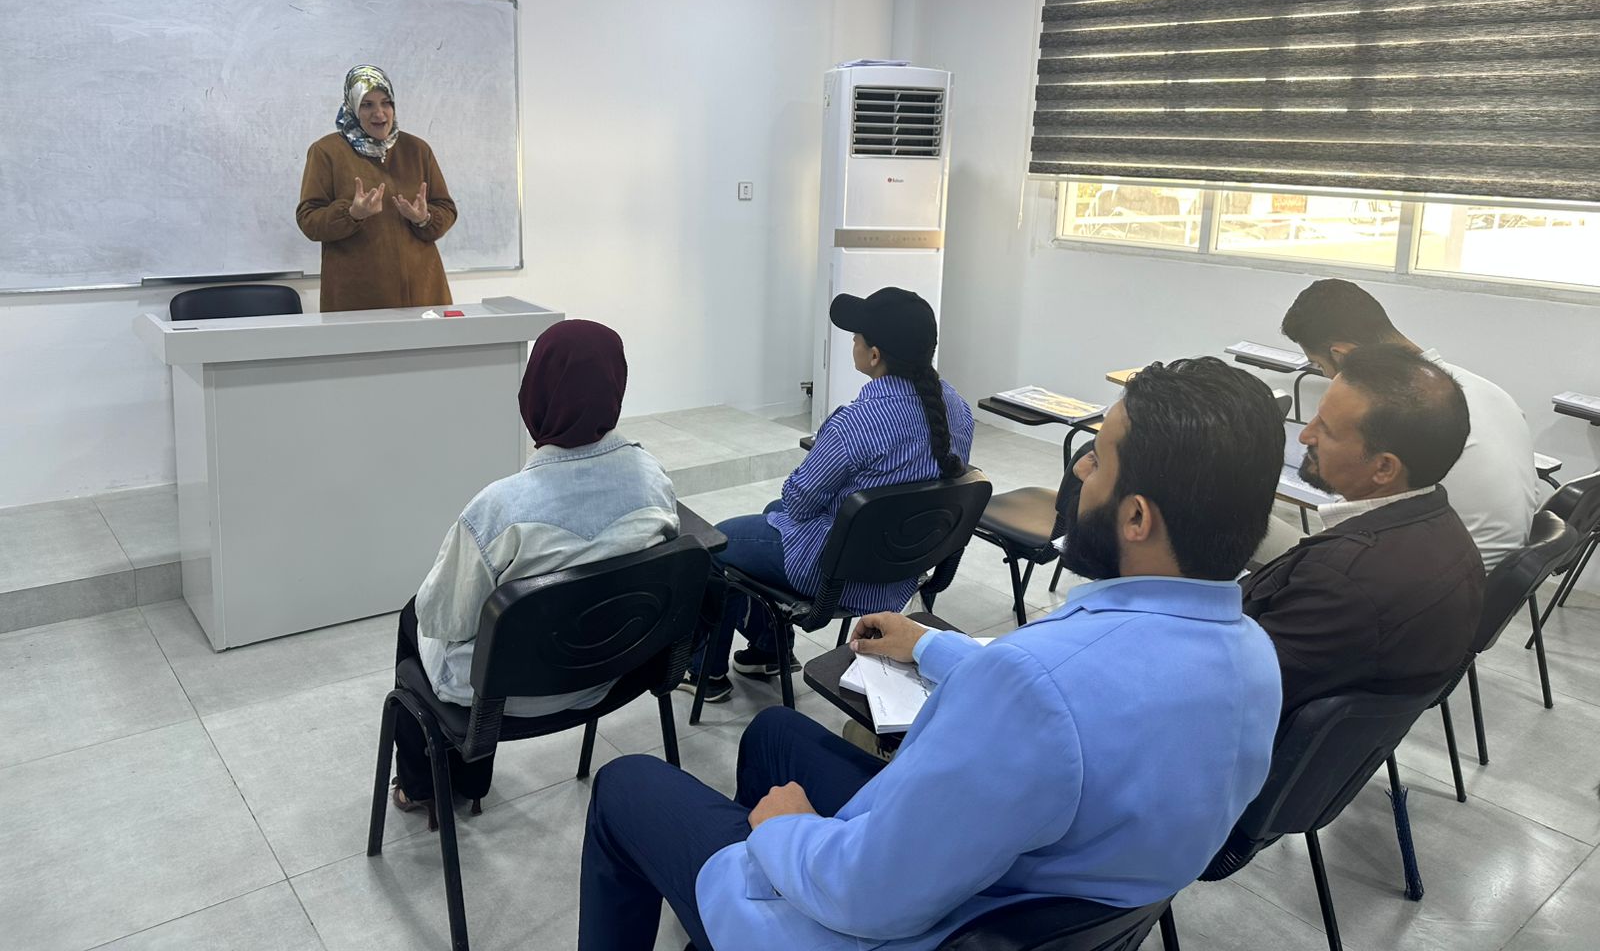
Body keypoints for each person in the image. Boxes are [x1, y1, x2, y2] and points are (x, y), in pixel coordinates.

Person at [579, 358, 1284, 951]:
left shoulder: (1037, 686)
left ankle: (745, 902)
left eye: (1099, 456)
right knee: (774, 735)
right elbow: (1075, 717)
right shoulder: (1253, 659)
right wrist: (931, 646)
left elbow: (865, 894)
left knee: (627, 785)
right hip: (1020, 894)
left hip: (885, 924)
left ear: (1136, 517)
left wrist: (785, 830)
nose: (1081, 466)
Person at [388, 320, 677, 817]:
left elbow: (442, 618)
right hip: (614, 673)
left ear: (535, 393)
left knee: (413, 616)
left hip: (509, 697)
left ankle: (429, 784)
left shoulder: (499, 510)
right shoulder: (653, 481)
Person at [684, 287, 974, 703]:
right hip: (898, 574)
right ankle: (767, 651)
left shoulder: (855, 423)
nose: (851, 340)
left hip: (836, 578)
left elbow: (799, 500)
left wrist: (821, 452)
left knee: (713, 545)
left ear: (874, 355)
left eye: (856, 336)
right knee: (771, 513)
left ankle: (705, 672)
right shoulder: (958, 411)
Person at [1241, 343, 1485, 713]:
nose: (1305, 436)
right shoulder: (1451, 537)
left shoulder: (1341, 581)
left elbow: (1234, 689)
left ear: (1384, 468)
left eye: (1327, 429)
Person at [1281, 278, 1537, 567]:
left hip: (1423, 576)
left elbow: (1354, 523)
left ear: (1342, 355)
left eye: (1319, 365)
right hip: (1486, 570)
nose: (1327, 377)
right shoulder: (1483, 390)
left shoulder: (1407, 415)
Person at [297, 64, 457, 312]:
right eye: (367, 105)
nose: (379, 113)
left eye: (386, 103)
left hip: (424, 297)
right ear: (352, 107)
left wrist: (424, 218)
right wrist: (351, 214)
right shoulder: (326, 152)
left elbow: (446, 209)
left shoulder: (417, 150)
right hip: (357, 302)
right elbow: (309, 220)